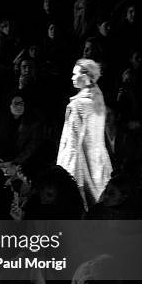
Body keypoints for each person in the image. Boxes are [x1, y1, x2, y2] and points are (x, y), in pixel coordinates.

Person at [56, 59, 112, 210]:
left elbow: (71, 141)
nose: (72, 77)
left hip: (82, 164)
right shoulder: (98, 99)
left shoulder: (78, 105)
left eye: (75, 74)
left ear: (86, 76)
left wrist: (65, 170)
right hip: (99, 162)